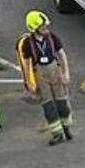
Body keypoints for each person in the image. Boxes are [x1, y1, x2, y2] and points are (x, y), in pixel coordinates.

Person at [18, 11, 72, 146]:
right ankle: (57, 134)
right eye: (42, 27)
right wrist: (29, 82)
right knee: (48, 106)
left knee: (62, 102)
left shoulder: (52, 37)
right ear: (34, 28)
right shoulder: (27, 43)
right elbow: (25, 64)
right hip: (40, 74)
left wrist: (66, 73)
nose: (46, 29)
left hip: (55, 70)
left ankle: (66, 128)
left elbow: (62, 55)